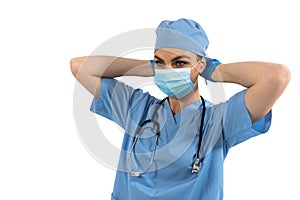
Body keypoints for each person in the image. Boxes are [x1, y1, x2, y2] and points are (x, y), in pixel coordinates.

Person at [70, 18, 290, 200]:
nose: (168, 70)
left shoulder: (219, 121)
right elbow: (80, 67)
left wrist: (215, 71)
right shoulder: (136, 109)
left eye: (179, 63)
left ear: (200, 65)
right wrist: (149, 67)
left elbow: (276, 76)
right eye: (160, 62)